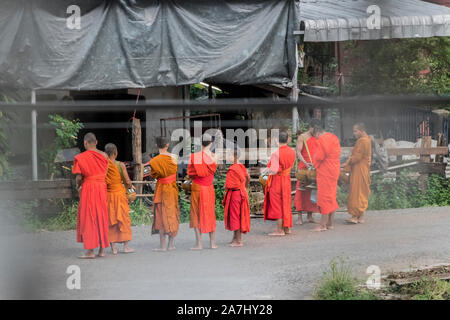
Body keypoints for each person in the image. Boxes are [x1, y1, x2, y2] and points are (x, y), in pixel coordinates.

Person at [72, 132, 109, 258]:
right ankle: (102, 250)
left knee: (89, 216)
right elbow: (105, 172)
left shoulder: (81, 157)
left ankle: (90, 251)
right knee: (101, 215)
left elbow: (78, 177)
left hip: (88, 187)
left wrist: (78, 185)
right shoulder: (104, 155)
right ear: (96, 142)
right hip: (101, 187)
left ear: (85, 143)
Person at [188, 134, 218, 249]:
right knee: (210, 212)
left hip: (197, 187)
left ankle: (199, 244)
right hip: (209, 187)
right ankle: (212, 243)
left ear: (200, 143)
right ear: (211, 143)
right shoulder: (215, 157)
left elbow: (190, 173)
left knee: (196, 213)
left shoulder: (195, 156)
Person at [263, 130, 296, 236]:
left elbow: (273, 170)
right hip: (286, 179)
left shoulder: (276, 153)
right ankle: (286, 228)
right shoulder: (292, 152)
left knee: (277, 204)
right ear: (288, 140)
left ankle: (279, 230)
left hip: (277, 180)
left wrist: (266, 171)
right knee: (286, 203)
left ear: (276, 141)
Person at [150, 136, 180, 251]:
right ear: (167, 145)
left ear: (156, 145)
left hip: (161, 190)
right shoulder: (174, 158)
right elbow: (175, 171)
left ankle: (162, 246)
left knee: (161, 216)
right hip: (171, 189)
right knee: (172, 213)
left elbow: (153, 175)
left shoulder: (154, 161)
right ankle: (170, 245)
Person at [104, 143, 134, 255]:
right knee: (123, 219)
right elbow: (127, 181)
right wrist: (131, 187)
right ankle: (126, 247)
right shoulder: (120, 165)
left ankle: (114, 248)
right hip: (120, 195)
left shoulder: (104, 165)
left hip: (109, 196)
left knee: (111, 220)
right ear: (116, 152)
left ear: (106, 153)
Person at [311, 123, 341, 232]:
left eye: (315, 136)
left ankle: (322, 225)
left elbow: (319, 157)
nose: (316, 138)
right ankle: (330, 223)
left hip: (325, 170)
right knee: (332, 195)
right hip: (334, 169)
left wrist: (314, 160)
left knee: (324, 197)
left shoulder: (322, 140)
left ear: (317, 132)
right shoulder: (334, 137)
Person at [343, 123, 371, 224]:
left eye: (355, 131)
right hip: (364, 169)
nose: (354, 133)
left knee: (356, 192)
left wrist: (347, 162)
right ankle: (361, 216)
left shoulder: (362, 141)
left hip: (359, 169)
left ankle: (354, 216)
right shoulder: (367, 139)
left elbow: (357, 157)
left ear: (361, 131)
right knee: (362, 191)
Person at [222, 147, 251, 247]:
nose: (227, 157)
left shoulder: (233, 169)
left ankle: (238, 241)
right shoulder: (241, 166)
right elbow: (248, 178)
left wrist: (226, 191)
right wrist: (244, 188)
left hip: (235, 195)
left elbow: (229, 185)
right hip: (241, 193)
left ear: (234, 156)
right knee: (237, 215)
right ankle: (235, 238)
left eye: (229, 155)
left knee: (235, 216)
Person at [294, 120, 320, 225]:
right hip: (304, 167)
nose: (316, 132)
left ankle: (310, 216)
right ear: (310, 127)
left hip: (314, 167)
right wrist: (305, 162)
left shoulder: (318, 137)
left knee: (312, 191)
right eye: (315, 129)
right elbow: (298, 152)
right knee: (301, 191)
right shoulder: (303, 137)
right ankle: (299, 217)